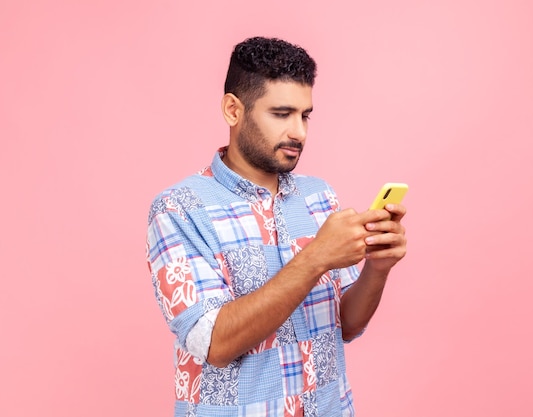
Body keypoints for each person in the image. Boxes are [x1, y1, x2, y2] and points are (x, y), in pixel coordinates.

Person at [146, 36, 407, 417]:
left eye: (305, 115)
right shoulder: (179, 208)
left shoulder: (320, 197)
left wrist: (378, 268)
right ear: (233, 110)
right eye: (282, 114)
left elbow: (346, 325)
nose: (299, 132)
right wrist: (315, 257)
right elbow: (215, 343)